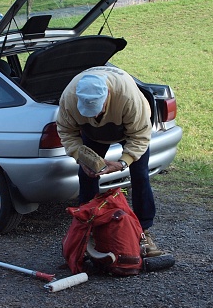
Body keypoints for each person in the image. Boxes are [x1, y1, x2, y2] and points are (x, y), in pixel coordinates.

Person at [56, 66, 164, 257]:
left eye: (97, 110)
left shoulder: (127, 97)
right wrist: (80, 158)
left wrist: (123, 163)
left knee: (140, 175)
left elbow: (139, 136)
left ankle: (143, 231)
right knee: (86, 175)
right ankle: (87, 228)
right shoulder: (69, 98)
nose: (94, 115)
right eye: (88, 111)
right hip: (93, 133)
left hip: (128, 129)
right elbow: (66, 132)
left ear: (107, 96)